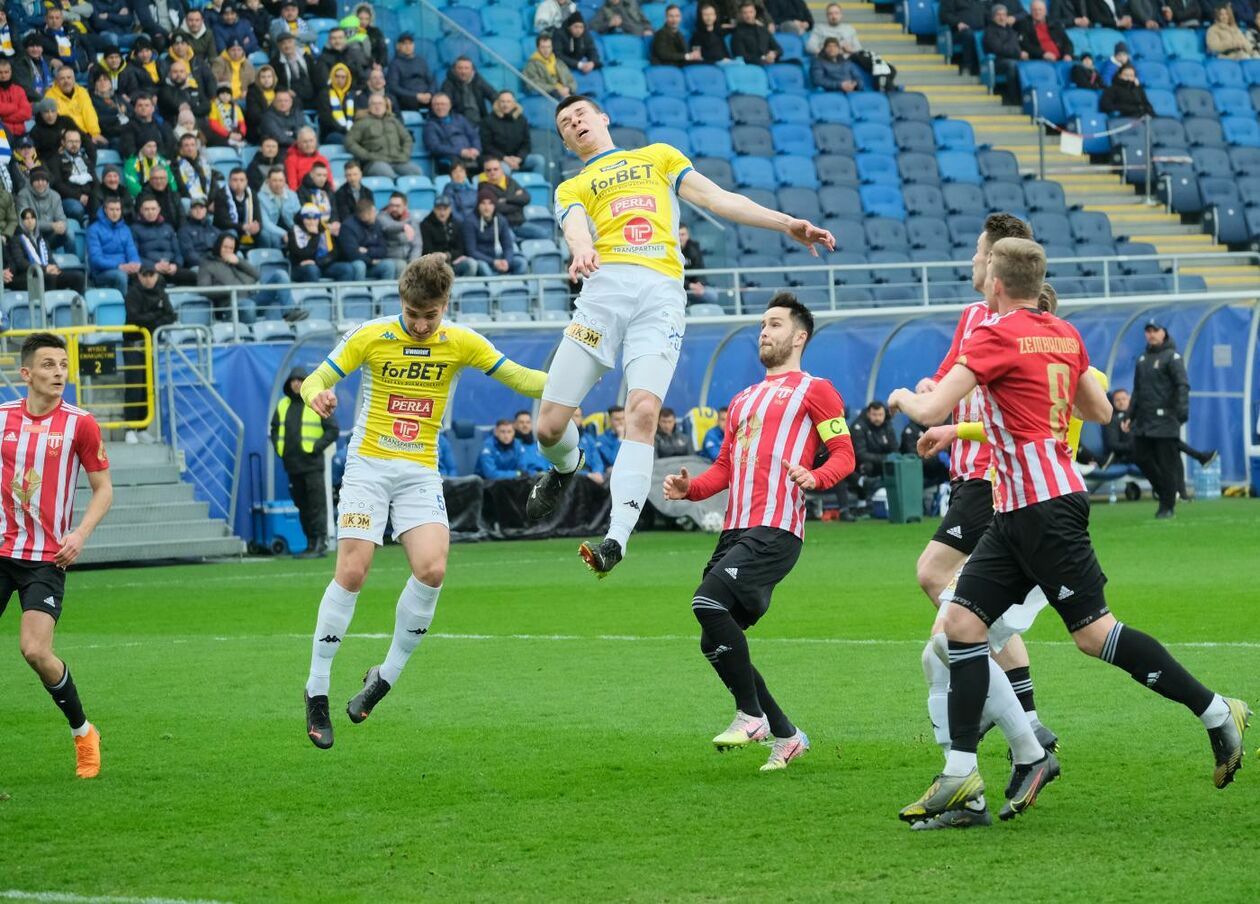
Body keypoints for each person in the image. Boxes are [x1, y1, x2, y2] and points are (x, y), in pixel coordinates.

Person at [893, 239, 1251, 824]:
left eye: (984, 270)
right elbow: (1097, 412)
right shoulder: (1063, 334)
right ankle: (961, 775)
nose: (980, 280)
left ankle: (1217, 711)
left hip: (1043, 510)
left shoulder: (993, 333)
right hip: (1022, 507)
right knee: (960, 623)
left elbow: (931, 410)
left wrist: (904, 396)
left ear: (997, 285)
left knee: (1094, 634)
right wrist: (986, 427)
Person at [528, 95, 834, 577]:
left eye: (581, 114)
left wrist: (786, 223)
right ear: (566, 141)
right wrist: (582, 250)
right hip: (603, 295)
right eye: (566, 123)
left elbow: (717, 199)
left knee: (643, 411)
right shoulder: (574, 183)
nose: (575, 122)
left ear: (603, 118)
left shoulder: (659, 157)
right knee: (547, 427)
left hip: (659, 297)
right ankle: (567, 465)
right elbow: (574, 227)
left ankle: (616, 539)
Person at [298, 255, 548, 748]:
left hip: (418, 473)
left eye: (430, 315)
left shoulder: (460, 342)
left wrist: (571, 384)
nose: (420, 323)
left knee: (432, 570)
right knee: (353, 571)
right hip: (368, 467)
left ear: (444, 307)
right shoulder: (370, 335)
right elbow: (317, 379)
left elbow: (520, 378)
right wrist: (317, 396)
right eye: (413, 313)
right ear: (401, 302)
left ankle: (384, 676)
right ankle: (317, 689)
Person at [662, 296, 855, 771]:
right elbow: (725, 469)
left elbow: (844, 455)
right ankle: (787, 735)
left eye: (775, 324)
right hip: (735, 530)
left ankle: (752, 714)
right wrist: (690, 490)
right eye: (762, 325)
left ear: (799, 336)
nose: (764, 332)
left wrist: (817, 477)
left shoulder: (816, 390)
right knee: (714, 640)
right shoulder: (744, 399)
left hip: (777, 528)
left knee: (706, 604)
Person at [905, 215, 1060, 788]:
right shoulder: (983, 319)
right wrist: (933, 392)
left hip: (994, 479)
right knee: (971, 618)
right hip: (979, 476)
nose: (972, 263)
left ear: (995, 265)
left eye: (977, 254)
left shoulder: (1006, 321)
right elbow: (949, 377)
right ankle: (1029, 731)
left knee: (943, 607)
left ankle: (992, 752)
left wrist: (917, 402)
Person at [0, 333, 113, 779]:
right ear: (25, 373)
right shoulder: (2, 418)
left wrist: (80, 534)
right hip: (0, 548)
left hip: (47, 557)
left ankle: (83, 732)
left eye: (63, 365)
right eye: (48, 365)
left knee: (34, 650)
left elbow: (104, 490)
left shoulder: (80, 424)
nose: (58, 373)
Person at [272, 367, 339, 559]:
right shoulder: (283, 404)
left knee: (316, 505)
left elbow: (332, 429)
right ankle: (310, 542)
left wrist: (315, 448)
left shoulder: (315, 401)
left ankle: (320, 542)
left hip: (312, 465)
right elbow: (275, 429)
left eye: (300, 380)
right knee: (301, 505)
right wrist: (280, 449)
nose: (296, 383)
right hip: (292, 465)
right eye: (293, 380)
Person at [1130, 319, 1193, 518]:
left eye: (1155, 330)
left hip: (1166, 419)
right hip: (1144, 420)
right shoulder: (1142, 359)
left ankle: (1167, 507)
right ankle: (1166, 491)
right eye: (1148, 331)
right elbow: (1137, 390)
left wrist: (1182, 411)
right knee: (1140, 456)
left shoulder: (1172, 357)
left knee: (1167, 464)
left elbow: (1182, 385)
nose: (1151, 334)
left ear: (1164, 332)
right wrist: (1129, 414)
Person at [199, 231, 300, 323]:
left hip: (253, 297)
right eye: (225, 247)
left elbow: (257, 275)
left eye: (231, 248)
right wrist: (229, 289)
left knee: (280, 275)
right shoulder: (207, 264)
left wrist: (239, 262)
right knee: (248, 305)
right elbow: (204, 289)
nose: (228, 251)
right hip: (230, 304)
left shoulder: (236, 260)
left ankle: (289, 313)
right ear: (218, 246)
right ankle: (250, 336)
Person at [122, 265, 176, 436]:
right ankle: (131, 428)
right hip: (133, 346)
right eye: (144, 275)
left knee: (148, 387)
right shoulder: (132, 293)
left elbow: (172, 316)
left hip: (150, 347)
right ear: (139, 276)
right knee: (135, 386)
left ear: (156, 275)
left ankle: (142, 429)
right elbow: (135, 318)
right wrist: (157, 315)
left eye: (151, 274)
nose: (148, 278)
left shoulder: (162, 292)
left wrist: (152, 319)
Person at [345, 93, 424, 178]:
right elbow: (349, 142)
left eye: (380, 103)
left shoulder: (394, 121)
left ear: (385, 106)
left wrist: (405, 154)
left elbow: (407, 139)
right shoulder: (361, 122)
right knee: (388, 175)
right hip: (374, 162)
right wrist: (367, 155)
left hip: (398, 160)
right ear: (369, 106)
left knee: (417, 172)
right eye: (374, 104)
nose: (377, 106)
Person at [9, 205, 83, 292]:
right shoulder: (16, 239)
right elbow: (21, 263)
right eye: (26, 218)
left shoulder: (40, 238)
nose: (30, 221)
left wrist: (54, 268)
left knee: (78, 277)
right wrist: (44, 269)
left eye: (33, 218)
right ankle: (51, 305)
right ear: (21, 221)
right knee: (49, 278)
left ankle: (75, 303)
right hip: (28, 275)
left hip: (45, 272)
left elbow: (49, 257)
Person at [131, 194, 195, 286]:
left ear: (159, 210)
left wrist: (176, 265)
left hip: (170, 268)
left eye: (153, 209)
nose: (150, 212)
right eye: (147, 209)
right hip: (150, 269)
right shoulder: (134, 229)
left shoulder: (168, 228)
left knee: (195, 277)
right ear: (141, 211)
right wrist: (154, 266)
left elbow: (178, 253)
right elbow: (134, 256)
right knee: (159, 281)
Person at [478, 156, 544, 239]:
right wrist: (518, 202)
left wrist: (506, 199)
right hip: (502, 227)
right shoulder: (484, 188)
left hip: (520, 224)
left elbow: (527, 198)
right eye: (489, 170)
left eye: (495, 169)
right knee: (510, 240)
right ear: (485, 173)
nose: (492, 172)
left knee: (543, 234)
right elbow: (497, 208)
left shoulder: (510, 181)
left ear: (501, 170)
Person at [288, 202, 356, 282]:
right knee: (312, 270)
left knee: (347, 269)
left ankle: (335, 294)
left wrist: (318, 262)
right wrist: (314, 236)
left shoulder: (324, 229)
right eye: (308, 218)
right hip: (300, 268)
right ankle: (315, 294)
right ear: (302, 218)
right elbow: (301, 255)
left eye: (315, 218)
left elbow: (333, 254)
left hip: (321, 264)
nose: (312, 221)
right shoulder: (294, 231)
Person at [463, 190, 526, 276]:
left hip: (497, 257)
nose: (487, 207)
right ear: (478, 205)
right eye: (483, 203)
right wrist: (493, 262)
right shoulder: (470, 221)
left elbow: (508, 246)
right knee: (483, 266)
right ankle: (496, 287)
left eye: (490, 204)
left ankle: (515, 287)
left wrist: (506, 261)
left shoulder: (501, 220)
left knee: (521, 263)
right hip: (481, 260)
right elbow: (472, 251)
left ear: (494, 206)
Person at [481, 91, 544, 175]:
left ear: (514, 103)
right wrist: (505, 158)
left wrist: (519, 158)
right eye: (502, 101)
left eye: (508, 101)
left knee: (539, 160)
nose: (505, 105)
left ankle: (537, 187)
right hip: (499, 159)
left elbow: (526, 143)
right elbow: (487, 146)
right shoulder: (488, 121)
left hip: (518, 159)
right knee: (505, 169)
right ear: (498, 103)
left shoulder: (521, 119)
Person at [338, 196, 396, 280]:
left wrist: (368, 251)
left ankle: (384, 292)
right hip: (355, 264)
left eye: (374, 211)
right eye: (372, 212)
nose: (375, 214)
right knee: (359, 265)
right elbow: (352, 254)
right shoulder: (348, 226)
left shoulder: (376, 223)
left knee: (389, 265)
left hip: (372, 262)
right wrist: (370, 261)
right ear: (363, 214)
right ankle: (359, 292)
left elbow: (383, 250)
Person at [423, 93, 481, 175]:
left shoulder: (460, 118)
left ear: (449, 106)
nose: (440, 107)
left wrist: (476, 149)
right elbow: (435, 147)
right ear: (432, 107)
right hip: (450, 156)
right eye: (436, 104)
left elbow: (473, 136)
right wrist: (460, 152)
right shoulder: (430, 125)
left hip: (469, 152)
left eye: (443, 104)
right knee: (459, 165)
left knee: (488, 162)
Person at [420, 194, 476, 276]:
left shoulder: (457, 224)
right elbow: (426, 249)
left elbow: (461, 249)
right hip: (434, 263)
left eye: (445, 209)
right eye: (439, 209)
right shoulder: (426, 224)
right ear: (434, 210)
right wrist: (438, 257)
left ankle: (465, 287)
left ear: (450, 209)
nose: (442, 213)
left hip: (453, 261)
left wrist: (447, 255)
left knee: (471, 264)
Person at [213, 167, 265, 250]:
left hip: (248, 230)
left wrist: (257, 226)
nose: (238, 183)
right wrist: (243, 227)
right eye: (235, 180)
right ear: (229, 181)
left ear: (246, 181)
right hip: (228, 230)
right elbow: (222, 222)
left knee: (264, 235)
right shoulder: (221, 195)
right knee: (232, 234)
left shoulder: (252, 195)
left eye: (241, 180)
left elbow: (258, 217)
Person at [17, 167, 68, 251]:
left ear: (47, 181)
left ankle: (73, 261)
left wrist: (62, 226)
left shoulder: (55, 196)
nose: (40, 183)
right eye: (37, 180)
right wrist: (52, 226)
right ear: (31, 182)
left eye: (43, 180)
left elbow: (62, 218)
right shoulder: (23, 195)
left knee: (67, 234)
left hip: (50, 235)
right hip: (31, 236)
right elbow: (25, 222)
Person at [440, 56, 496, 128]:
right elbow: (446, 105)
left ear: (472, 70)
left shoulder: (478, 80)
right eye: (460, 68)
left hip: (481, 121)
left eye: (466, 68)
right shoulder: (448, 84)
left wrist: (499, 105)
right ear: (454, 69)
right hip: (460, 124)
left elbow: (492, 94)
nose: (463, 71)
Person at [387, 32, 434, 112]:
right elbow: (393, 87)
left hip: (426, 96)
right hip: (408, 99)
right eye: (404, 44)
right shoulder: (394, 64)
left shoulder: (421, 61)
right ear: (398, 46)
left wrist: (430, 94)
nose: (408, 47)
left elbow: (432, 81)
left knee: (441, 100)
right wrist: (416, 96)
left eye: (410, 44)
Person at [524, 34, 576, 100]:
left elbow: (571, 80)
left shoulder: (558, 62)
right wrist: (554, 89)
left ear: (552, 47)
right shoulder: (531, 65)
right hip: (550, 96)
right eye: (543, 47)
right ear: (538, 48)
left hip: (566, 93)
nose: (546, 50)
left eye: (548, 47)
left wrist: (569, 88)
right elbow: (531, 84)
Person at [260, 165, 300, 248]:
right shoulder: (260, 197)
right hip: (272, 230)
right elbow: (265, 223)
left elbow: (299, 218)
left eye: (280, 180)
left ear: (285, 181)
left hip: (290, 228)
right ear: (268, 181)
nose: (278, 184)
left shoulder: (292, 195)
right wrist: (283, 233)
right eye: (274, 180)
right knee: (272, 237)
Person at [317, 62, 356, 144]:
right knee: (350, 141)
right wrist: (343, 129)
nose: (340, 80)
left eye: (343, 77)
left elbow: (354, 116)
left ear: (347, 79)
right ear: (332, 77)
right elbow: (326, 118)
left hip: (350, 132)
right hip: (331, 132)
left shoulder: (350, 95)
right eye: (337, 76)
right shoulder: (324, 94)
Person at [380, 191, 421, 268]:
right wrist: (403, 227)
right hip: (390, 258)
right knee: (400, 265)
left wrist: (412, 262)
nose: (394, 209)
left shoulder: (412, 220)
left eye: (397, 206)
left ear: (405, 206)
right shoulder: (382, 216)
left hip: (408, 259)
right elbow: (388, 227)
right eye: (391, 205)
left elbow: (417, 245)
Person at [178, 198, 219, 268]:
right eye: (195, 208)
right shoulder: (184, 230)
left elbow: (222, 247)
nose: (198, 211)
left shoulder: (213, 229)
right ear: (190, 211)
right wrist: (207, 264)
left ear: (206, 210)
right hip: (198, 265)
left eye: (201, 208)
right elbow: (189, 254)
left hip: (216, 262)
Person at [0, 58, 32, 138]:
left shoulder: (19, 90)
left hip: (20, 133)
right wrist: (15, 107)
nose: (3, 75)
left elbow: (27, 113)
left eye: (6, 72)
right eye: (0, 73)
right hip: (2, 134)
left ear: (11, 72)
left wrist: (3, 118)